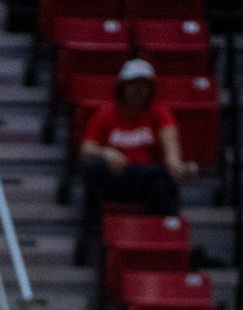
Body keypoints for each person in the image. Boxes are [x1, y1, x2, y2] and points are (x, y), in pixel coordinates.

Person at [79, 59, 189, 217]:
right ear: (122, 86)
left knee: (163, 183)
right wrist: (106, 153)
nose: (139, 89)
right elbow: (85, 150)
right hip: (116, 180)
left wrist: (173, 161)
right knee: (94, 167)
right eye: (133, 83)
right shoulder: (105, 112)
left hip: (148, 185)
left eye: (144, 84)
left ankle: (163, 236)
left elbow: (170, 137)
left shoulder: (160, 111)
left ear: (151, 89)